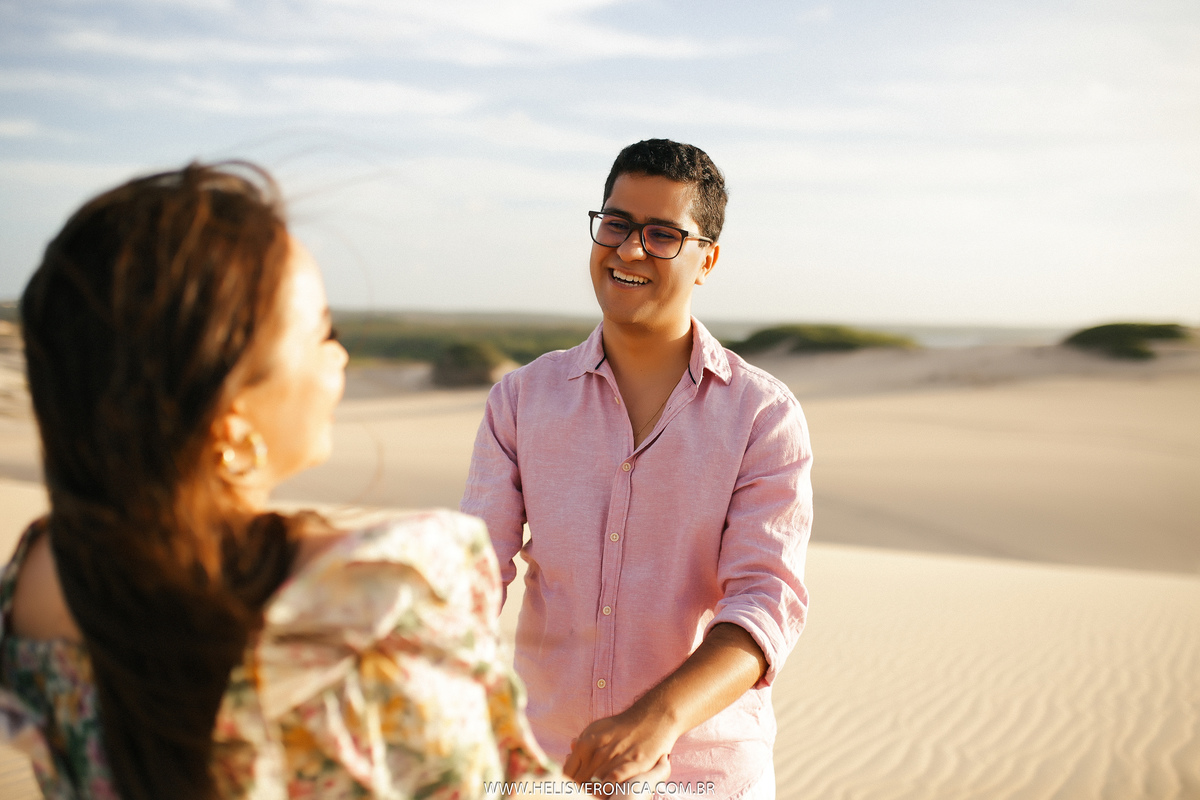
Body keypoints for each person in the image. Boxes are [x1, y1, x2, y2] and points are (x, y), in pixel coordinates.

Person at [0, 163, 553, 800]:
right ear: (231, 421)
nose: (339, 355)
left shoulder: (38, 577)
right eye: (323, 332)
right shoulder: (380, 602)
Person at [461, 139, 813, 797]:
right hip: (549, 773)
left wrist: (658, 718)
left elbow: (766, 601)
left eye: (662, 235)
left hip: (704, 780)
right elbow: (473, 572)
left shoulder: (764, 417)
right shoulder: (520, 400)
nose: (628, 250)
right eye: (617, 224)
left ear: (707, 259)